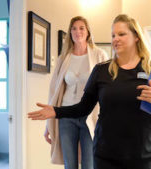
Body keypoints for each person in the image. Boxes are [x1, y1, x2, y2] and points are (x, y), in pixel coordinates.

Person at [28, 14, 151, 169]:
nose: (115, 39)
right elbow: (83, 108)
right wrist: (55, 111)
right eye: (113, 35)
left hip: (141, 156)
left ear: (136, 37)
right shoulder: (101, 70)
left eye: (121, 34)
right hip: (106, 155)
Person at [43, 16, 108, 169]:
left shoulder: (100, 55)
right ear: (70, 33)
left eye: (81, 28)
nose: (77, 31)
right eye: (73, 28)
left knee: (89, 164)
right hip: (66, 115)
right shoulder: (64, 58)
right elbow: (54, 91)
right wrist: (48, 124)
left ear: (88, 32)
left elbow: (106, 89)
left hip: (90, 116)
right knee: (69, 164)